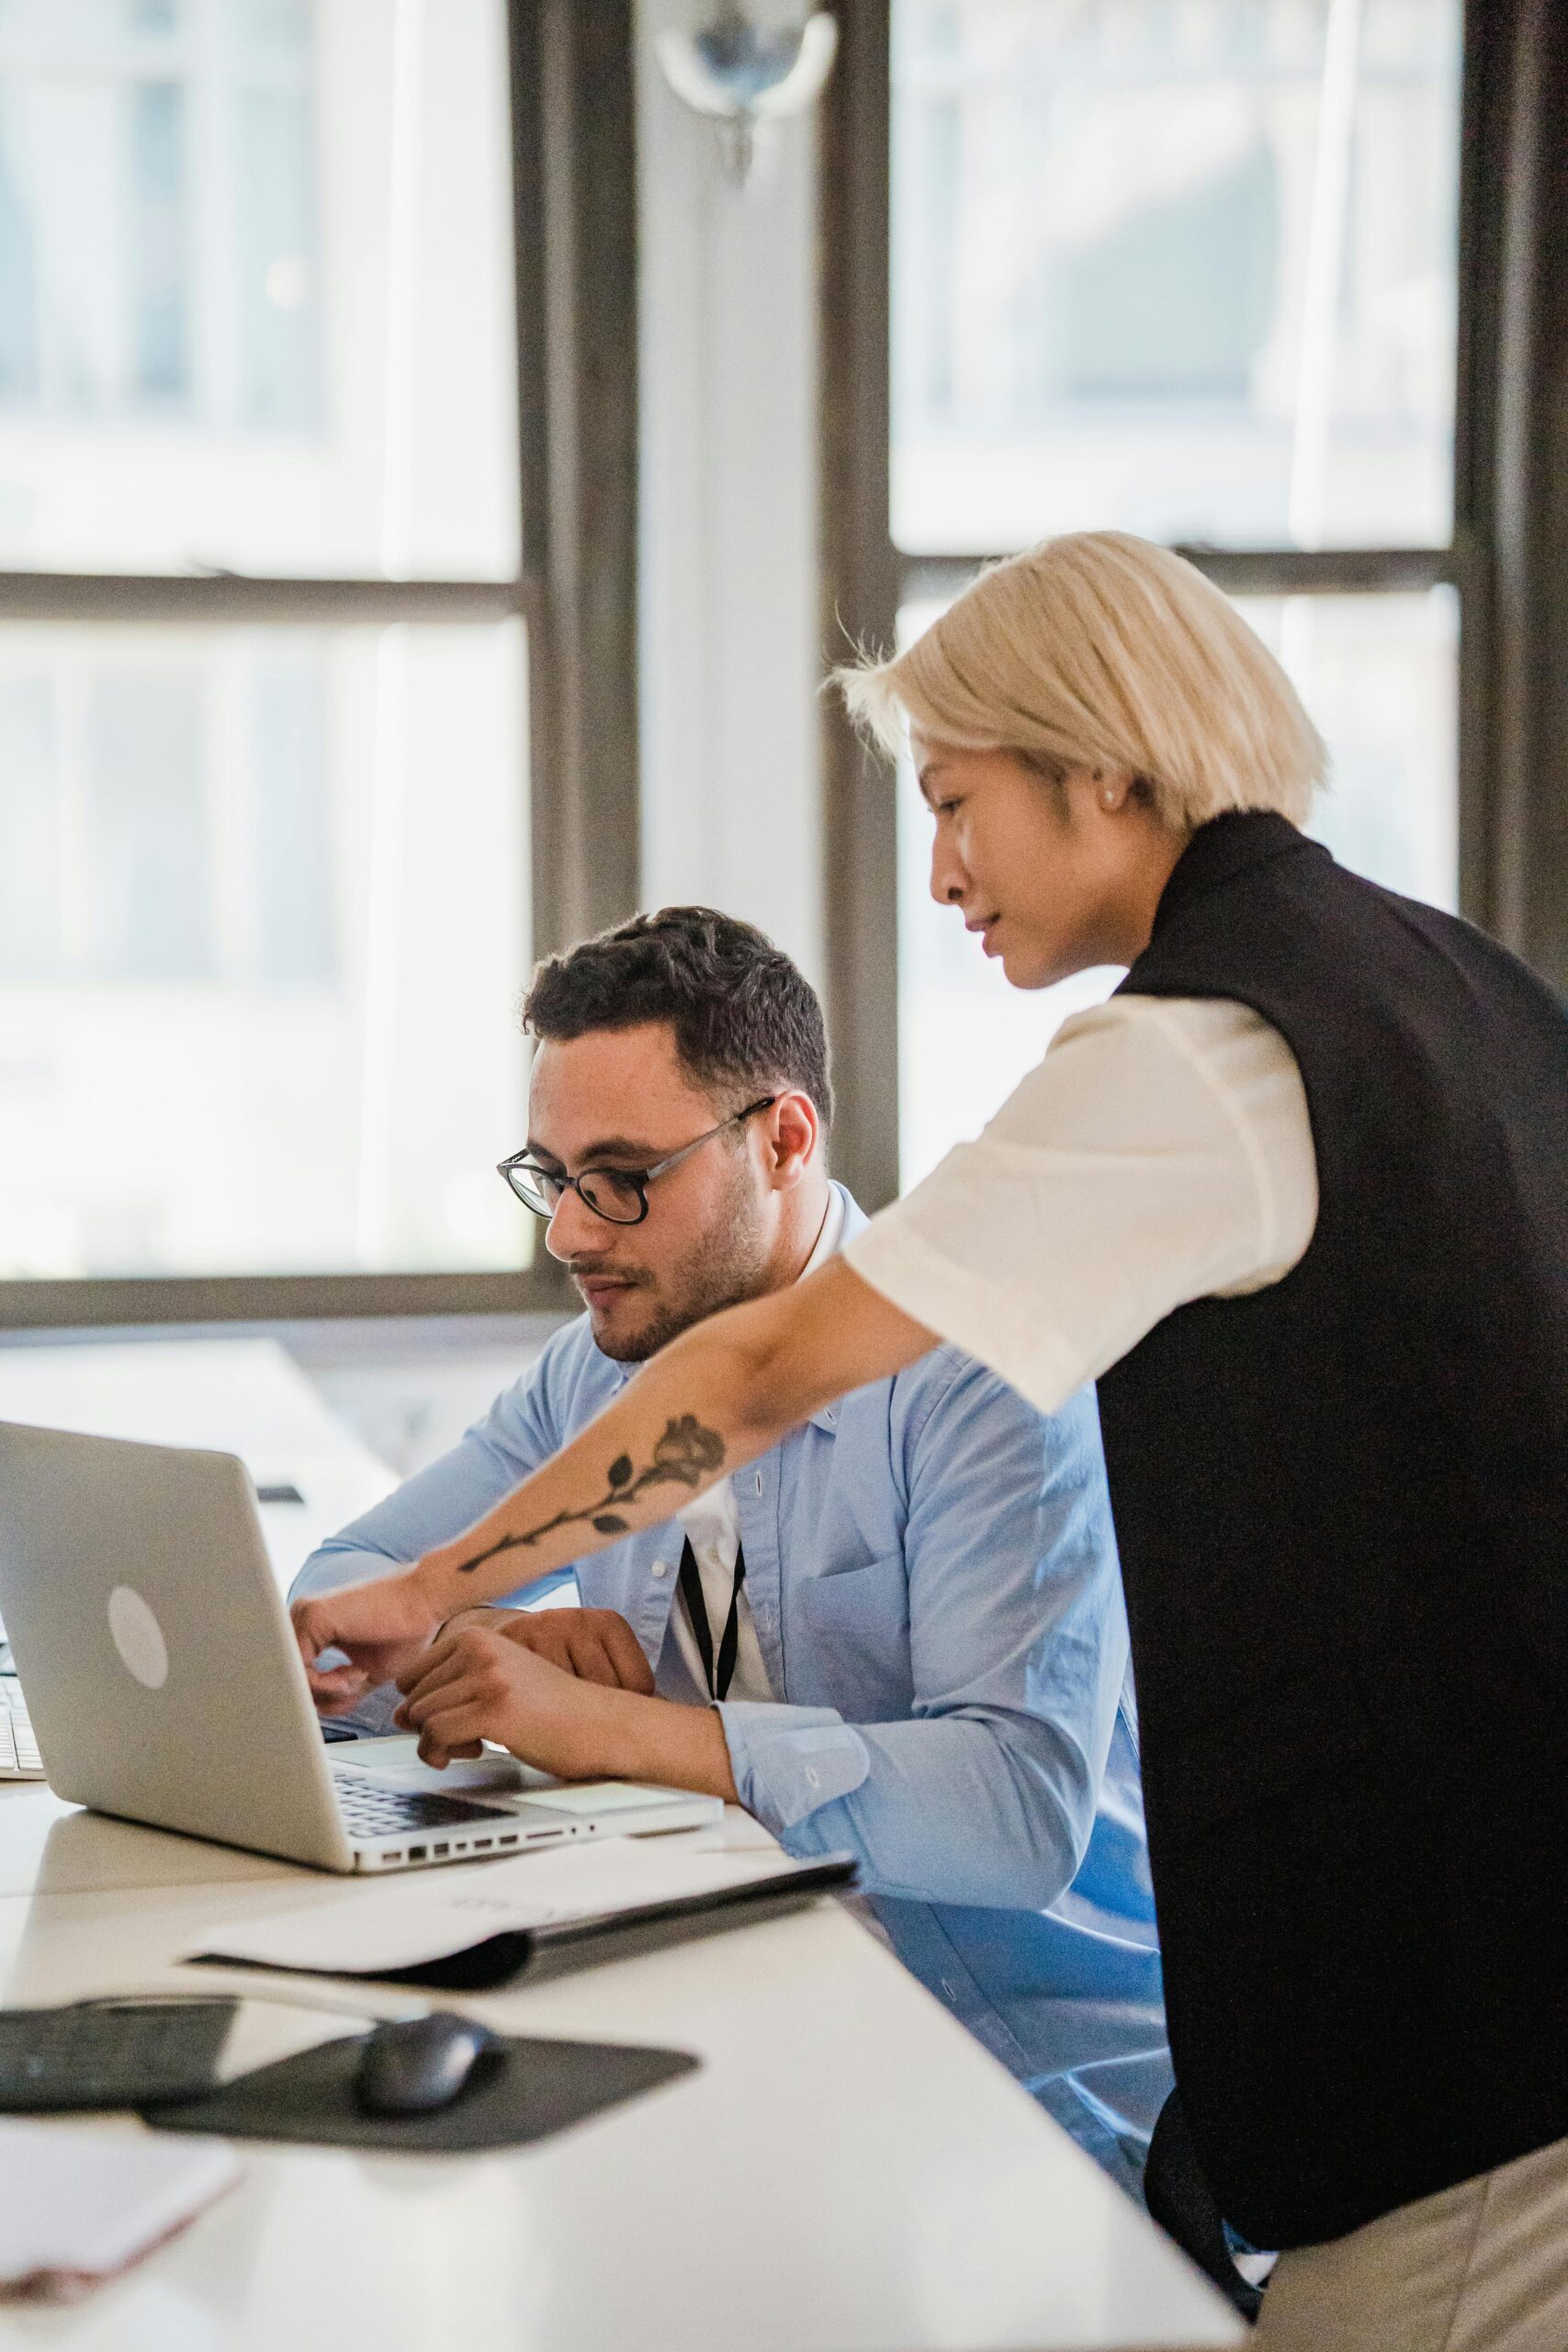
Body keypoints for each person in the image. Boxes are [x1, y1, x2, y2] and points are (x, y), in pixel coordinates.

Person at [295, 535, 1568, 2352]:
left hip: (1453, 2034)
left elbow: (759, 1376)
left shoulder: (1200, 1045)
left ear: (1104, 765)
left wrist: (434, 1594)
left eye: (957, 797)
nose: (938, 865)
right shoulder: (1443, 981)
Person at [292, 906, 1170, 2196]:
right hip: (746, 2013)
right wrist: (471, 1635)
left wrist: (611, 1729)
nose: (572, 1235)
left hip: (1024, 2093)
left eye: (623, 1177)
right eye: (553, 1178)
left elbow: (1017, 1808)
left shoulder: (974, 1373)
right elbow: (344, 1589)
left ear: (785, 1140)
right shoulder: (596, 1372)